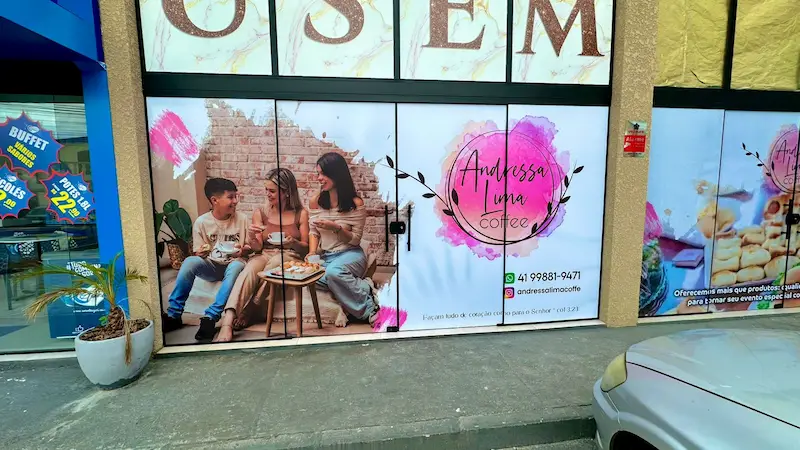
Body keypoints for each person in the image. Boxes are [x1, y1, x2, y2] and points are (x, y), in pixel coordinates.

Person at [215, 168, 309, 342]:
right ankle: (227, 322)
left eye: (272, 191)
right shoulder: (261, 212)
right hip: (264, 253)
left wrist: (293, 243)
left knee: (275, 264)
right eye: (266, 190)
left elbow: (305, 248)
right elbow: (257, 247)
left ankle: (250, 309)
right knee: (249, 270)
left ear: (286, 192)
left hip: (290, 255)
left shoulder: (300, 213)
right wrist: (252, 236)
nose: (267, 194)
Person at [161, 178, 248, 341]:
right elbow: (199, 252)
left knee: (236, 266)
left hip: (234, 264)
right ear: (215, 200)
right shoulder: (202, 222)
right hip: (212, 265)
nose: (235, 201)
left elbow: (250, 248)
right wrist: (200, 252)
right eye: (230, 197)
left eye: (236, 196)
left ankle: (211, 317)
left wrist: (244, 249)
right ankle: (174, 315)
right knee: (189, 262)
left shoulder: (242, 219)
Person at [307, 152, 378, 325]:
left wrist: (336, 228)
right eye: (318, 173)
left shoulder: (355, 204)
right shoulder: (315, 202)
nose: (319, 178)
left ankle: (370, 309)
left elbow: (355, 240)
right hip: (327, 256)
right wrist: (312, 252)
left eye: (323, 174)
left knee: (333, 273)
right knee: (309, 278)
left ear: (336, 174)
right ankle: (365, 286)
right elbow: (313, 231)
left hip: (350, 254)